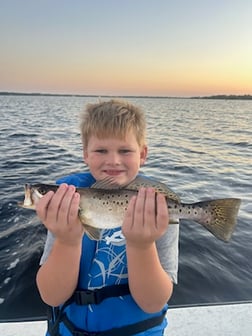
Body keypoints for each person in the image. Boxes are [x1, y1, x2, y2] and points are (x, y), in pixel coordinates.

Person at [36, 99, 179, 336]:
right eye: (101, 150)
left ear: (143, 154)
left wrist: (142, 246)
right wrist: (67, 240)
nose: (113, 160)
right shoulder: (68, 200)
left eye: (125, 150)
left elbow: (152, 303)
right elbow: (51, 296)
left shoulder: (157, 204)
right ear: (85, 154)